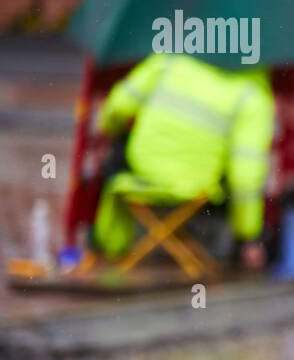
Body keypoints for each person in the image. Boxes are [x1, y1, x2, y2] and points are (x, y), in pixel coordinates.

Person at [91, 51, 274, 270]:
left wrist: (110, 127)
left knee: (117, 150)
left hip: (139, 175)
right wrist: (249, 235)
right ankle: (211, 254)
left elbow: (117, 108)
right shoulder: (252, 95)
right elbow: (246, 176)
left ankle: (107, 247)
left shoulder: (168, 60)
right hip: (196, 187)